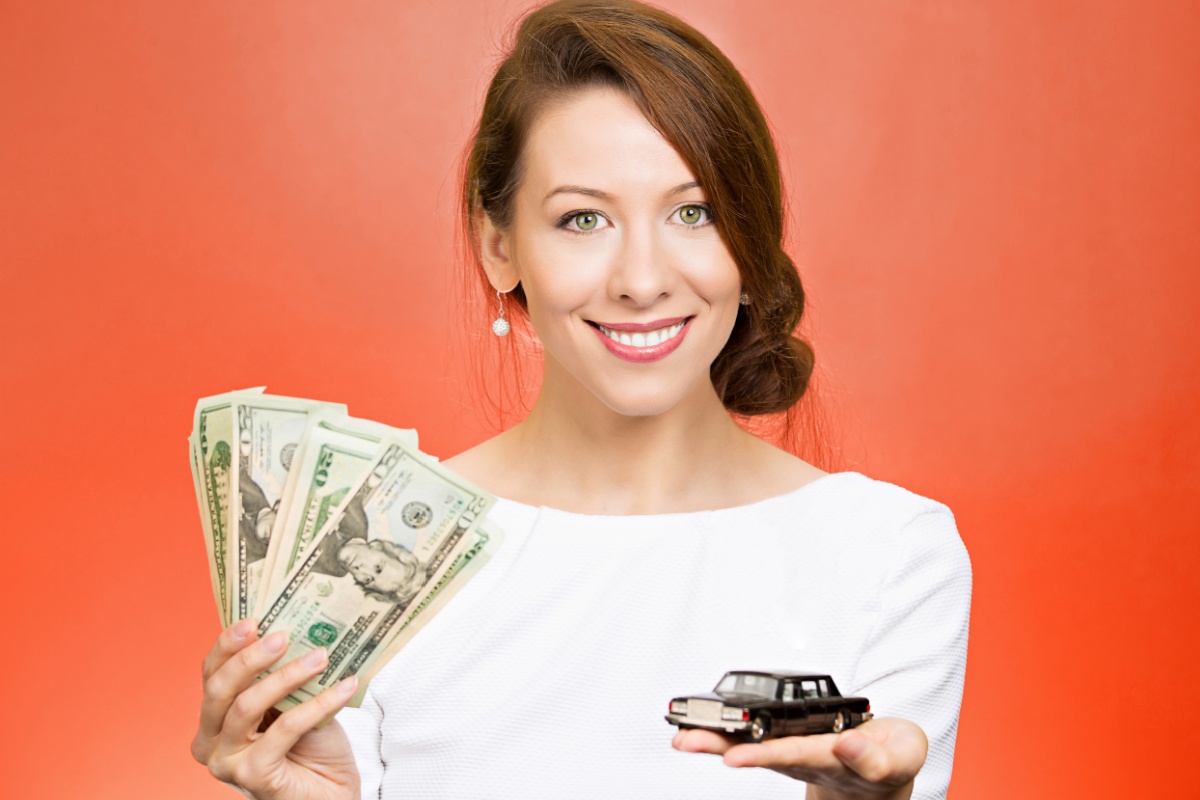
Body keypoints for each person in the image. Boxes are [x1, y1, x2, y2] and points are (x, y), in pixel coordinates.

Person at [190, 1, 971, 798]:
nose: (641, 279)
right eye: (583, 218)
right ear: (499, 247)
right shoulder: (372, 554)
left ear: (751, 242)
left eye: (692, 212)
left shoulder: (892, 555)